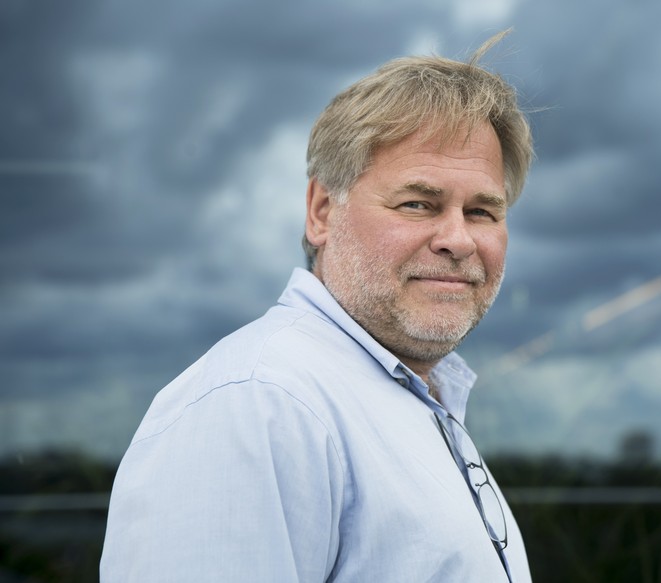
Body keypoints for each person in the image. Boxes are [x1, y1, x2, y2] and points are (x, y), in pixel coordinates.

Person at [101, 30, 534, 582]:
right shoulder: (259, 406)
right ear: (323, 211)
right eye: (418, 203)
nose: (458, 239)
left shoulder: (400, 399)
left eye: (482, 212)